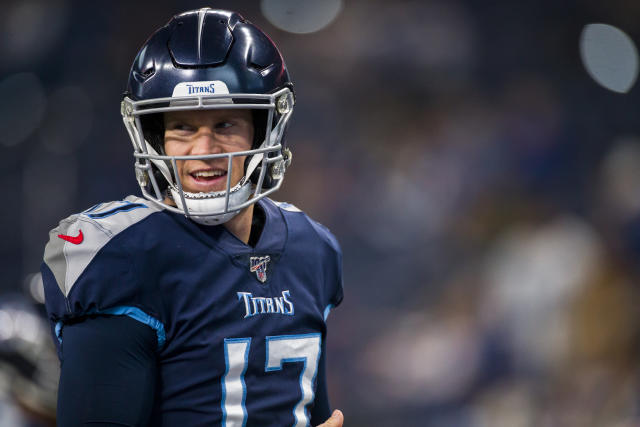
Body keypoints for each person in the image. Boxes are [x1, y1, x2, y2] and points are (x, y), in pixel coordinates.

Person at [41, 8, 344, 427]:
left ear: (265, 130)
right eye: (182, 127)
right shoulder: (119, 256)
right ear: (153, 138)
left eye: (225, 123)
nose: (205, 148)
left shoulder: (314, 248)